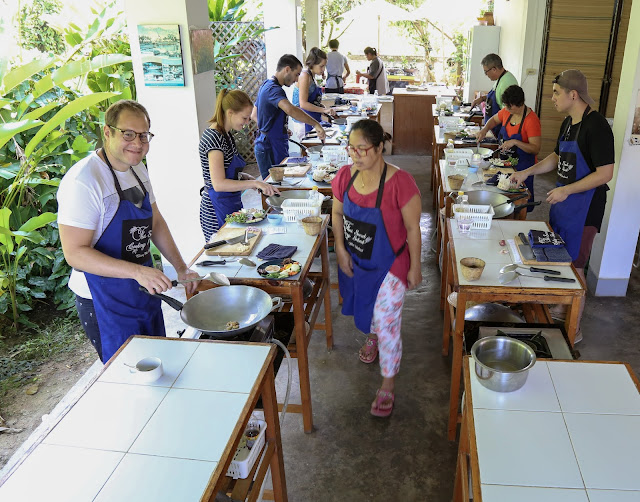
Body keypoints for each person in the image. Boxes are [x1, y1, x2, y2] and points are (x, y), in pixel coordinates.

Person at [57, 100, 200, 363]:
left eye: (144, 135)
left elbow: (155, 221)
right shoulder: (84, 181)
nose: (138, 142)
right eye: (128, 134)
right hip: (103, 300)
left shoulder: (138, 168)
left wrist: (181, 268)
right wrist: (136, 271)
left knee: (159, 362)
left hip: (142, 288)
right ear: (107, 132)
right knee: (128, 375)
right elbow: (75, 253)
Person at [510, 69, 614, 343]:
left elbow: (605, 173)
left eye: (556, 93)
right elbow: (557, 156)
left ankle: (574, 329)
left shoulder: (597, 126)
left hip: (585, 208)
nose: (551, 98)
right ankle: (559, 306)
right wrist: (527, 173)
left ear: (573, 94)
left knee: (576, 265)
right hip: (565, 204)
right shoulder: (569, 122)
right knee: (560, 258)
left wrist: (565, 189)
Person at [331, 119, 422, 417]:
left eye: (363, 149)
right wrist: (341, 249)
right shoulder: (344, 177)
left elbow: (412, 229)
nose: (355, 155)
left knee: (387, 323)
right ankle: (372, 337)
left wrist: (415, 267)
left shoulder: (401, 182)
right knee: (367, 310)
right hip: (358, 261)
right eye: (351, 149)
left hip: (390, 265)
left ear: (380, 147)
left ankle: (387, 384)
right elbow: (336, 211)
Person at [199, 89, 279, 241]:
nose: (247, 123)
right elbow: (219, 184)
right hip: (215, 210)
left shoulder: (226, 135)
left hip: (230, 204)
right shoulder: (213, 138)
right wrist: (253, 182)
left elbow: (228, 170)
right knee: (225, 257)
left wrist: (244, 177)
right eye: (245, 118)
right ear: (230, 113)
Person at [252, 54, 326, 179]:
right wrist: (316, 124)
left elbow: (255, 115)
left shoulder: (266, 84)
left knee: (279, 185)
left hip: (270, 143)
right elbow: (291, 109)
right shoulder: (273, 89)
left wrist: (278, 129)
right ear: (287, 69)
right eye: (297, 74)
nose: (297, 79)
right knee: (274, 188)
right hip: (270, 147)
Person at [476, 84, 541, 208]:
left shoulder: (531, 121)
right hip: (505, 164)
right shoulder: (507, 112)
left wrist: (516, 142)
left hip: (523, 168)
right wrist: (484, 130)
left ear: (520, 103)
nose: (506, 108)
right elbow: (493, 120)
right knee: (501, 199)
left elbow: (535, 148)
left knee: (519, 203)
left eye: (509, 106)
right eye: (505, 105)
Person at [470, 53, 518, 138]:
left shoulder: (507, 83)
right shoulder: (500, 79)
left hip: (500, 130)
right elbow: (497, 96)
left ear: (494, 69)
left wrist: (487, 128)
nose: (486, 75)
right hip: (493, 128)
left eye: (486, 72)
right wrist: (482, 99)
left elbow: (509, 112)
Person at [292, 47, 337, 134]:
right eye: (321, 66)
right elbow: (303, 104)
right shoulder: (305, 76)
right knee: (309, 146)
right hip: (303, 120)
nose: (323, 69)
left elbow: (312, 101)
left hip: (311, 118)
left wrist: (323, 108)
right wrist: (323, 110)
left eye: (324, 66)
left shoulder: (312, 76)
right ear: (313, 64)